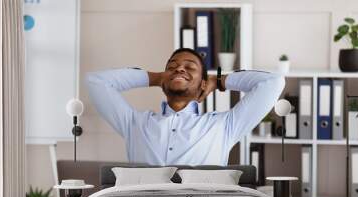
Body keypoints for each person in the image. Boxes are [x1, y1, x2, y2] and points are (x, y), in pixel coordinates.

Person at [85, 48, 285, 165]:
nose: (179, 68)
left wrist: (220, 81)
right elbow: (95, 82)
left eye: (189, 67)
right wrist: (156, 77)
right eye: (172, 67)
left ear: (204, 83)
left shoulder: (223, 125)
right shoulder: (134, 122)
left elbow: (273, 82)